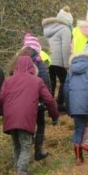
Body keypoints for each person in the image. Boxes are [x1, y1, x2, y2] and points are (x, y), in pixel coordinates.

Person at [0, 55, 58, 175]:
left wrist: (5, 113)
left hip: (10, 117)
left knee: (16, 146)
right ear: (32, 67)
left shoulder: (8, 81)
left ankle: (19, 173)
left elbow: (1, 98)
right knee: (25, 146)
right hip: (25, 116)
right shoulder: (36, 81)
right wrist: (54, 115)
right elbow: (49, 99)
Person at [13, 33, 52, 162]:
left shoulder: (17, 60)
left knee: (26, 126)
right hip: (37, 100)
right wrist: (48, 98)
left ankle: (25, 153)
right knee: (40, 124)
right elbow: (45, 79)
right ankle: (38, 151)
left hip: (18, 101)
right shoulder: (38, 60)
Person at [42, 6, 73, 112]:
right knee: (64, 81)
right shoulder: (65, 29)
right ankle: (59, 104)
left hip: (48, 59)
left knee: (51, 82)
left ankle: (49, 105)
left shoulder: (48, 28)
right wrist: (67, 64)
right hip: (59, 60)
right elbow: (65, 48)